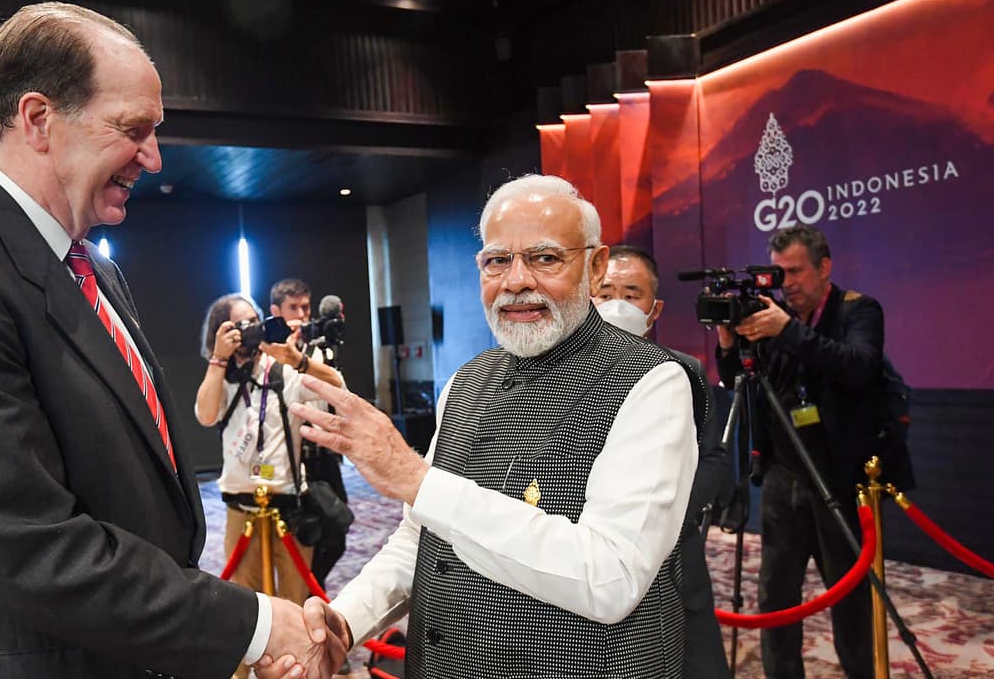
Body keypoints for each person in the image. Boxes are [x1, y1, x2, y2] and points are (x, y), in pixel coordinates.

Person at [0, 1, 334, 679]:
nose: (154, 156)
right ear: (39, 120)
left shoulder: (96, 269)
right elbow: (25, 544)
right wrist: (253, 626)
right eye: (133, 128)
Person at [257, 174, 700, 679]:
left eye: (545, 258)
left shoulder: (653, 384)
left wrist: (418, 481)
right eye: (497, 261)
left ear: (595, 267)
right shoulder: (466, 382)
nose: (516, 281)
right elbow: (420, 539)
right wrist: (346, 621)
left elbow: (610, 578)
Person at [715, 226, 904, 679]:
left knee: (849, 599)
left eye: (795, 271)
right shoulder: (772, 315)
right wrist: (729, 342)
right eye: (778, 273)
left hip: (842, 477)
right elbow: (736, 380)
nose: (786, 283)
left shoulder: (859, 310)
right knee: (774, 598)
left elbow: (858, 367)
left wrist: (789, 331)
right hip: (784, 474)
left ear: (824, 268)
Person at [594, 244, 731, 679]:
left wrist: (661, 518)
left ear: (654, 310)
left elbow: (712, 458)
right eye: (605, 291)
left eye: (631, 293)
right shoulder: (562, 376)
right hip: (589, 565)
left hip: (674, 560)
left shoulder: (684, 372)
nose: (617, 303)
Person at [195, 294, 345, 679]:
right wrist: (218, 359)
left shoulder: (282, 370)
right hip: (239, 508)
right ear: (222, 332)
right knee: (242, 610)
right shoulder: (223, 376)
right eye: (239, 324)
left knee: (296, 607)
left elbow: (338, 387)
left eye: (255, 320)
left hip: (287, 508)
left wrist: (296, 358)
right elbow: (205, 414)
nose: (251, 329)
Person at [268, 278, 348, 588]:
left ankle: (311, 589)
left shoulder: (318, 348)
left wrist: (308, 358)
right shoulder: (268, 353)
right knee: (304, 534)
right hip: (290, 458)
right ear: (276, 311)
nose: (301, 314)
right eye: (293, 308)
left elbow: (337, 389)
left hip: (324, 456)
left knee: (337, 535)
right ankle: (305, 596)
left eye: (305, 307)